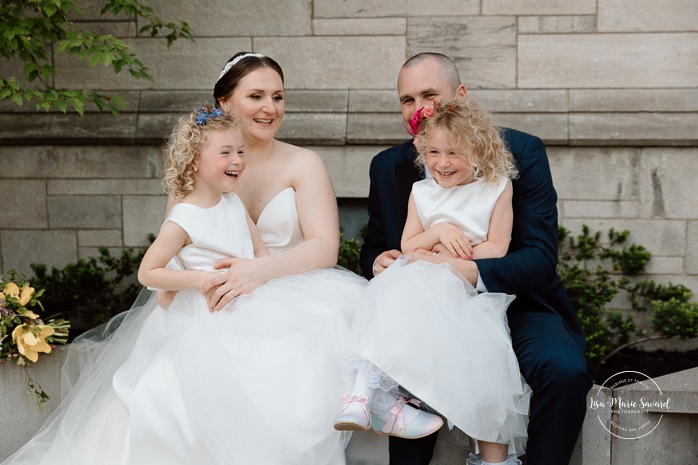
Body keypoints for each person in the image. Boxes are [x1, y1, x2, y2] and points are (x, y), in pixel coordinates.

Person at [2, 107, 365, 465]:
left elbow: (260, 252)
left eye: (240, 151)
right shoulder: (185, 217)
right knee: (197, 401)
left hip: (247, 301)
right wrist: (199, 280)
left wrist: (260, 272)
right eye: (225, 152)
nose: (237, 159)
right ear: (193, 161)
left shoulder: (233, 203)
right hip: (202, 318)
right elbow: (149, 271)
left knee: (301, 349)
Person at [360, 52, 592, 465]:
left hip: (515, 299)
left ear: (461, 95)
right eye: (407, 100)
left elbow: (538, 257)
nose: (418, 110)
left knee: (564, 370)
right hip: (429, 309)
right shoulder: (387, 167)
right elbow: (375, 244)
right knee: (410, 372)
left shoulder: (521, 151)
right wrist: (379, 261)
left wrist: (466, 269)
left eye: (429, 95)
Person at [336, 99, 530, 465]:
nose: (442, 163)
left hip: (468, 295)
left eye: (454, 153)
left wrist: (445, 258)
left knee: (487, 379)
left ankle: (492, 460)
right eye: (433, 152)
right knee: (389, 289)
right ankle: (363, 394)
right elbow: (409, 245)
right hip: (419, 286)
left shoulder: (497, 188)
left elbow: (497, 246)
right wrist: (438, 230)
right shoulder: (422, 193)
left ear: (479, 149)